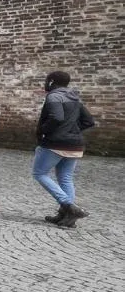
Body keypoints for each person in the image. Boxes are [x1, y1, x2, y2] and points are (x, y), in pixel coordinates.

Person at [34, 71, 96, 228]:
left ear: (52, 81)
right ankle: (66, 217)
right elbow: (88, 121)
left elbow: (56, 117)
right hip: (75, 144)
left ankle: (69, 206)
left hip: (56, 144)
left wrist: (44, 131)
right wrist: (72, 131)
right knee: (66, 177)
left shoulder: (54, 96)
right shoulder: (75, 97)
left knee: (39, 173)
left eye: (47, 80)